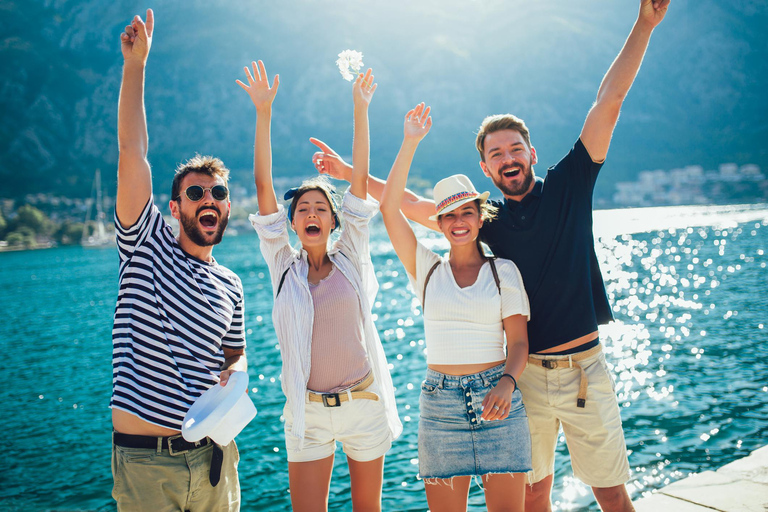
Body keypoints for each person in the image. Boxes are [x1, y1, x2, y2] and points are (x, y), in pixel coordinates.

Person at [310, 2, 671, 510]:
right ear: (485, 165)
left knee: (611, 492)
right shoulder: (486, 222)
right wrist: (350, 172)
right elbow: (411, 207)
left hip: (586, 367)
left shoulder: (570, 184)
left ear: (532, 152)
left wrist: (644, 25)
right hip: (521, 375)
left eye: (516, 148)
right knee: (534, 494)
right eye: (496, 153)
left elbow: (607, 102)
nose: (508, 158)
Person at [239, 61, 401, 512]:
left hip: (363, 403)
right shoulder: (282, 268)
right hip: (307, 414)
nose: (312, 213)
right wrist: (264, 113)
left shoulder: (351, 257)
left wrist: (361, 107)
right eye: (303, 209)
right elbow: (262, 185)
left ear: (333, 220)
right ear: (291, 223)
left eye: (320, 208)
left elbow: (361, 182)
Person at [111, 9, 247, 511]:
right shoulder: (144, 245)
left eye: (218, 192)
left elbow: (234, 354)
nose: (208, 199)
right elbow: (133, 154)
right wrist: (136, 67)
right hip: (147, 465)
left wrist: (238, 372)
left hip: (215, 460)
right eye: (195, 192)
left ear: (228, 206)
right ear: (174, 207)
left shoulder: (231, 283)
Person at [380, 103, 531, 511]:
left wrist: (506, 383)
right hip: (440, 406)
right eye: (449, 216)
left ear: (481, 219)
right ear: (440, 223)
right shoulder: (426, 270)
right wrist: (410, 142)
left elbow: (518, 343)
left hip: (498, 399)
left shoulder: (505, 272)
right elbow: (389, 208)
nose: (459, 221)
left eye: (468, 212)